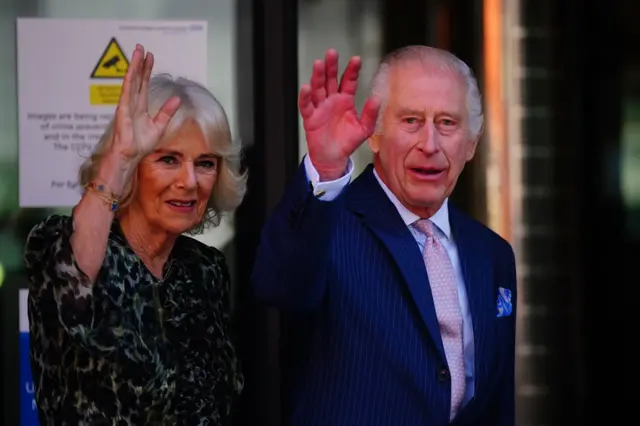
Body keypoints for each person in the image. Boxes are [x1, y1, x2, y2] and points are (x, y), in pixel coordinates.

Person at [252, 46, 517, 426]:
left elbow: (496, 406)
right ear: (374, 134)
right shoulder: (328, 228)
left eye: (447, 123)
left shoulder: (492, 254)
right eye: (410, 120)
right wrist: (326, 170)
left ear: (472, 143)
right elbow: (278, 286)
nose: (429, 143)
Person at [24, 44, 246, 425]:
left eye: (205, 163)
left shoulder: (205, 270)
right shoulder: (70, 252)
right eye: (168, 159)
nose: (188, 181)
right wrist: (120, 159)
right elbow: (71, 290)